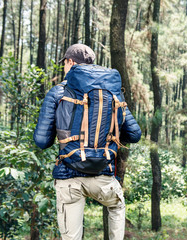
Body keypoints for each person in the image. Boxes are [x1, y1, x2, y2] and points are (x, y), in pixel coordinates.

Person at [33, 44, 141, 240]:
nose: (64, 67)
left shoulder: (58, 93)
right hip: (103, 176)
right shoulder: (113, 94)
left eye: (65, 63)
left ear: (71, 62)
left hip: (68, 178)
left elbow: (41, 141)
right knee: (117, 206)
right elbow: (134, 134)